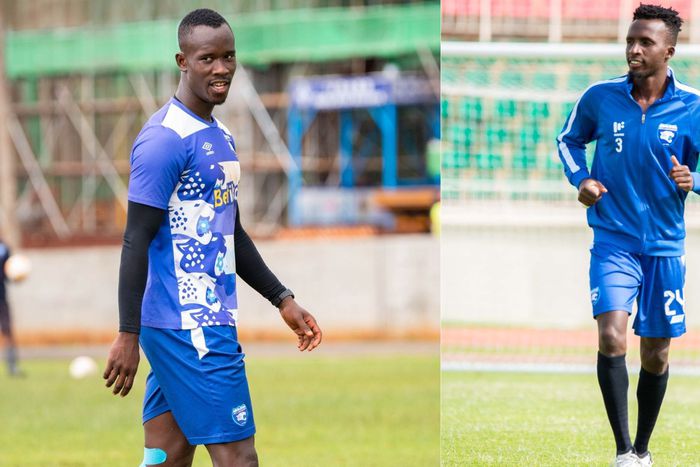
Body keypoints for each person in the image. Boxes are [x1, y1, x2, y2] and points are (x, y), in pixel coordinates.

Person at [103, 9, 322, 467]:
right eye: (207, 59)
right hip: (189, 325)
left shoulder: (220, 135)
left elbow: (231, 232)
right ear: (182, 61)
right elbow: (135, 239)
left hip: (198, 320)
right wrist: (127, 333)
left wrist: (282, 298)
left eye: (228, 57)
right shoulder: (165, 139)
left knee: (168, 456)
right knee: (240, 458)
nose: (221, 68)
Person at [557, 4, 699, 466]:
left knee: (656, 353)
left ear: (669, 51)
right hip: (613, 241)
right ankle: (623, 453)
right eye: (630, 41)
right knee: (612, 337)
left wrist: (694, 180)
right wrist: (581, 178)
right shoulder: (600, 97)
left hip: (665, 248)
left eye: (645, 43)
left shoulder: (693, 106)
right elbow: (567, 140)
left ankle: (643, 449)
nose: (634, 50)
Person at [0, 237, 22, 377]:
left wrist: (17, 275)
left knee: (7, 331)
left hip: (1, 298)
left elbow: (8, 272)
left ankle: (12, 366)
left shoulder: (4, 248)